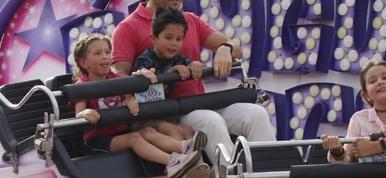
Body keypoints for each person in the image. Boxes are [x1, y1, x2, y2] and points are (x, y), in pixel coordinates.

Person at [111, 0, 275, 165]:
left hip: (200, 102)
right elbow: (118, 73)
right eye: (168, 37)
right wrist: (142, 78)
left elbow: (236, 49)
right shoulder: (128, 27)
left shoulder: (189, 20)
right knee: (210, 120)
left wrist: (225, 48)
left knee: (256, 114)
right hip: (170, 115)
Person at [70, 33, 210, 178]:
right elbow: (79, 113)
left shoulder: (115, 78)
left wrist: (129, 98)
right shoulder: (83, 86)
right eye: (98, 53)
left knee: (148, 131)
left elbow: (128, 93)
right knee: (134, 138)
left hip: (121, 130)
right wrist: (88, 112)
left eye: (107, 52)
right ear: (84, 63)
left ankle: (184, 148)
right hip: (99, 140)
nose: (105, 57)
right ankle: (173, 162)